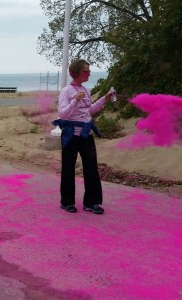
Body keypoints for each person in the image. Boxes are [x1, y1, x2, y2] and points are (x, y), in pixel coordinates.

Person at [52, 59, 113, 214]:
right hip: (71, 135)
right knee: (68, 168)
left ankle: (91, 202)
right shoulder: (66, 91)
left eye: (89, 70)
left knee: (91, 168)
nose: (89, 73)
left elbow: (89, 110)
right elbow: (62, 113)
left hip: (87, 134)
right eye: (86, 71)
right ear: (76, 73)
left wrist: (104, 98)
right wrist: (74, 101)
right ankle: (67, 202)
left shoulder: (86, 90)